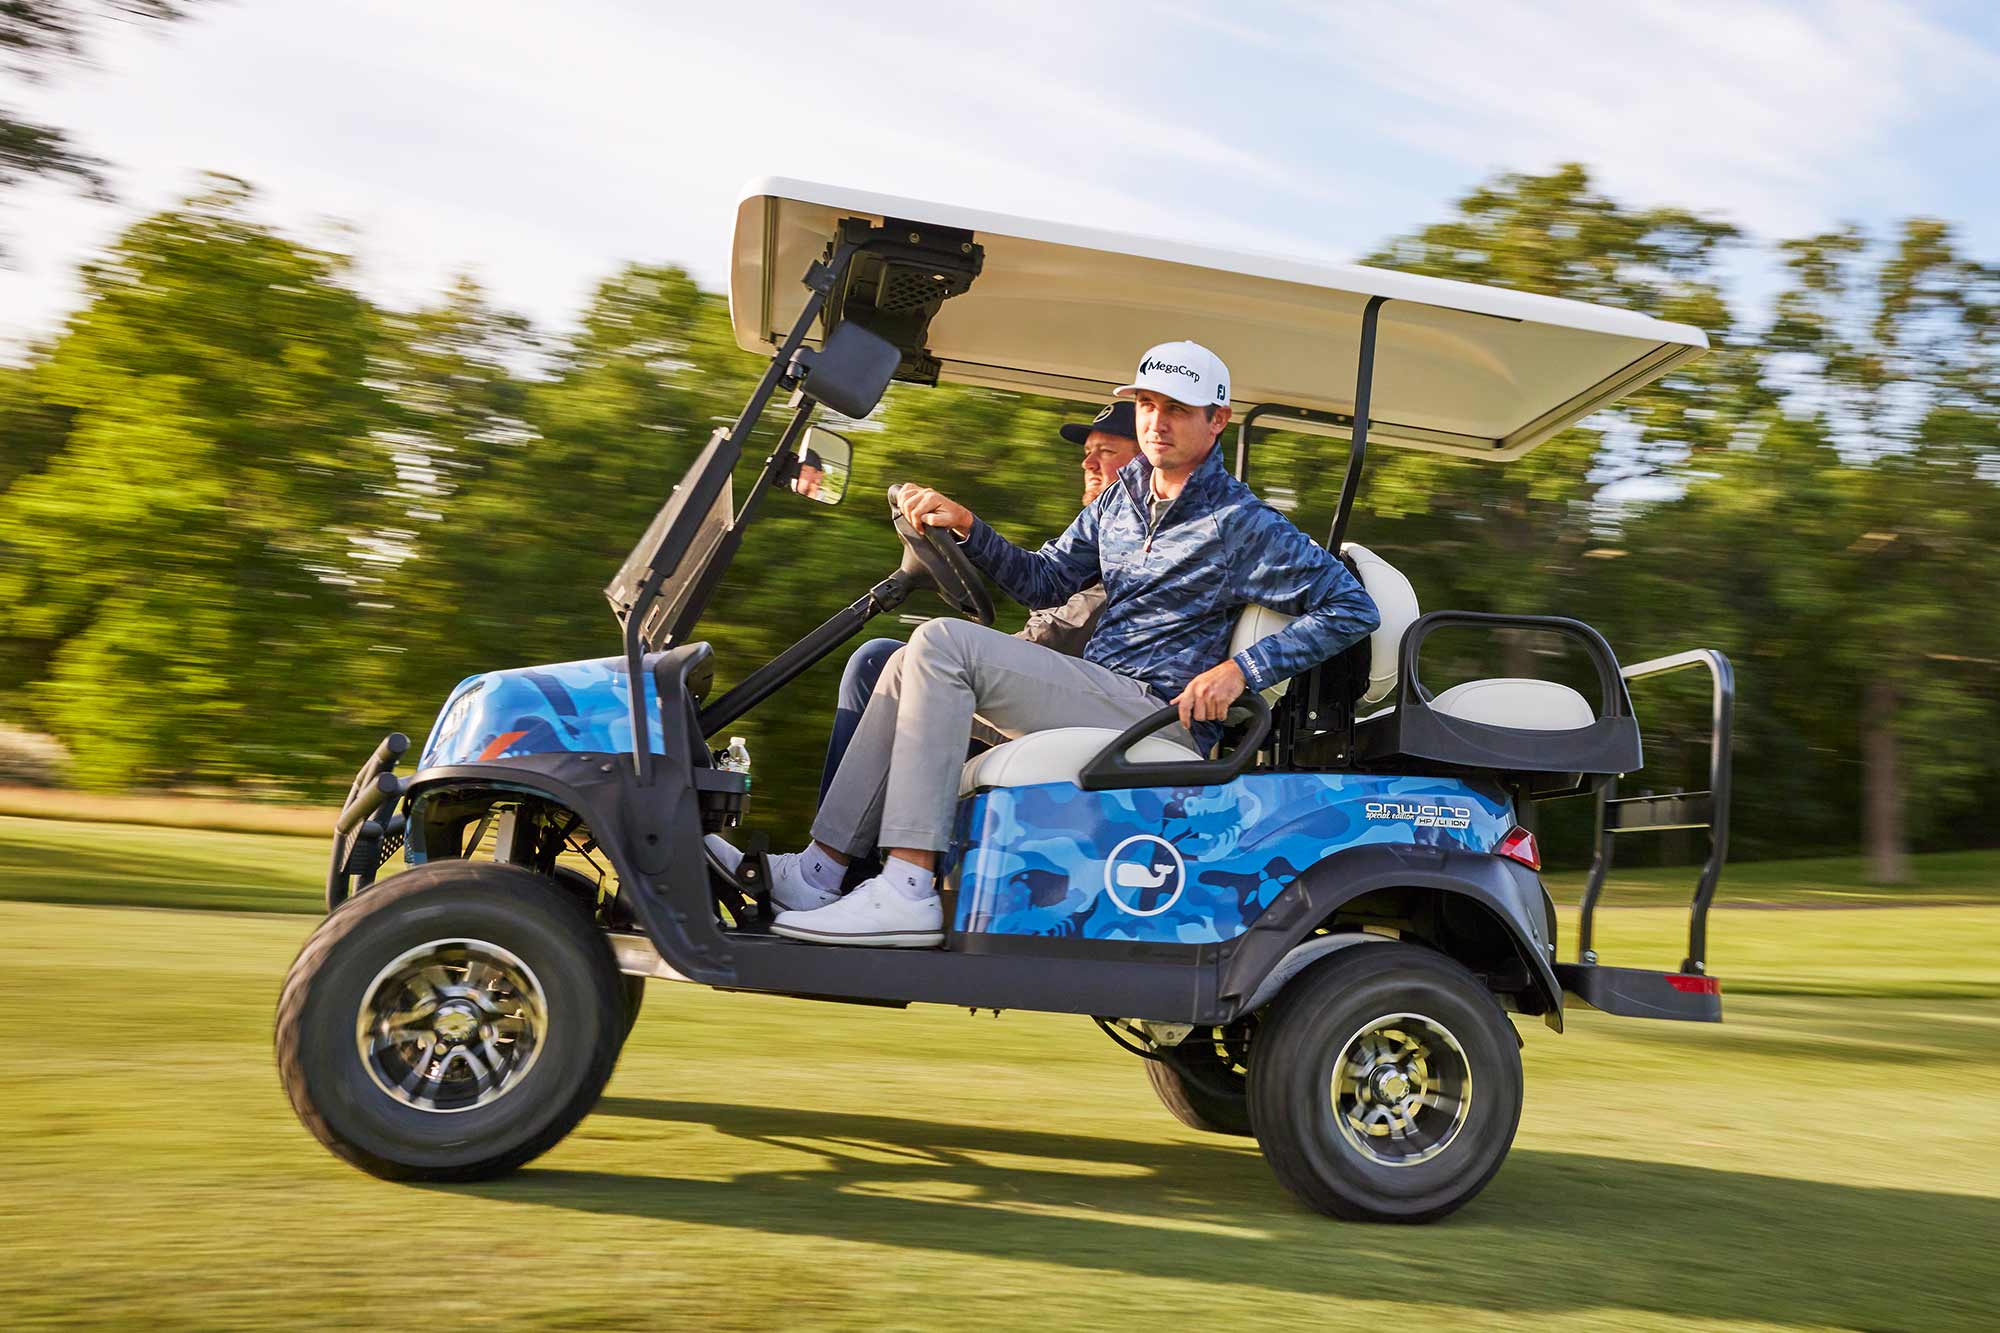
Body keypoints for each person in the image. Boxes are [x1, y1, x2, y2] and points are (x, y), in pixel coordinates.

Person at [751, 339, 1380, 947]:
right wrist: (969, 527)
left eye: (1178, 410)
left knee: (942, 644)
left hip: (1157, 714)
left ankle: (909, 886)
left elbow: (1353, 606)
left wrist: (1239, 671)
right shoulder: (1125, 497)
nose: (1157, 422)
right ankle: (819, 874)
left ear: (1217, 420)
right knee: (901, 662)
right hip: (1100, 692)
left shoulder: (1243, 523)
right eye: (1148, 405)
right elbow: (1045, 580)